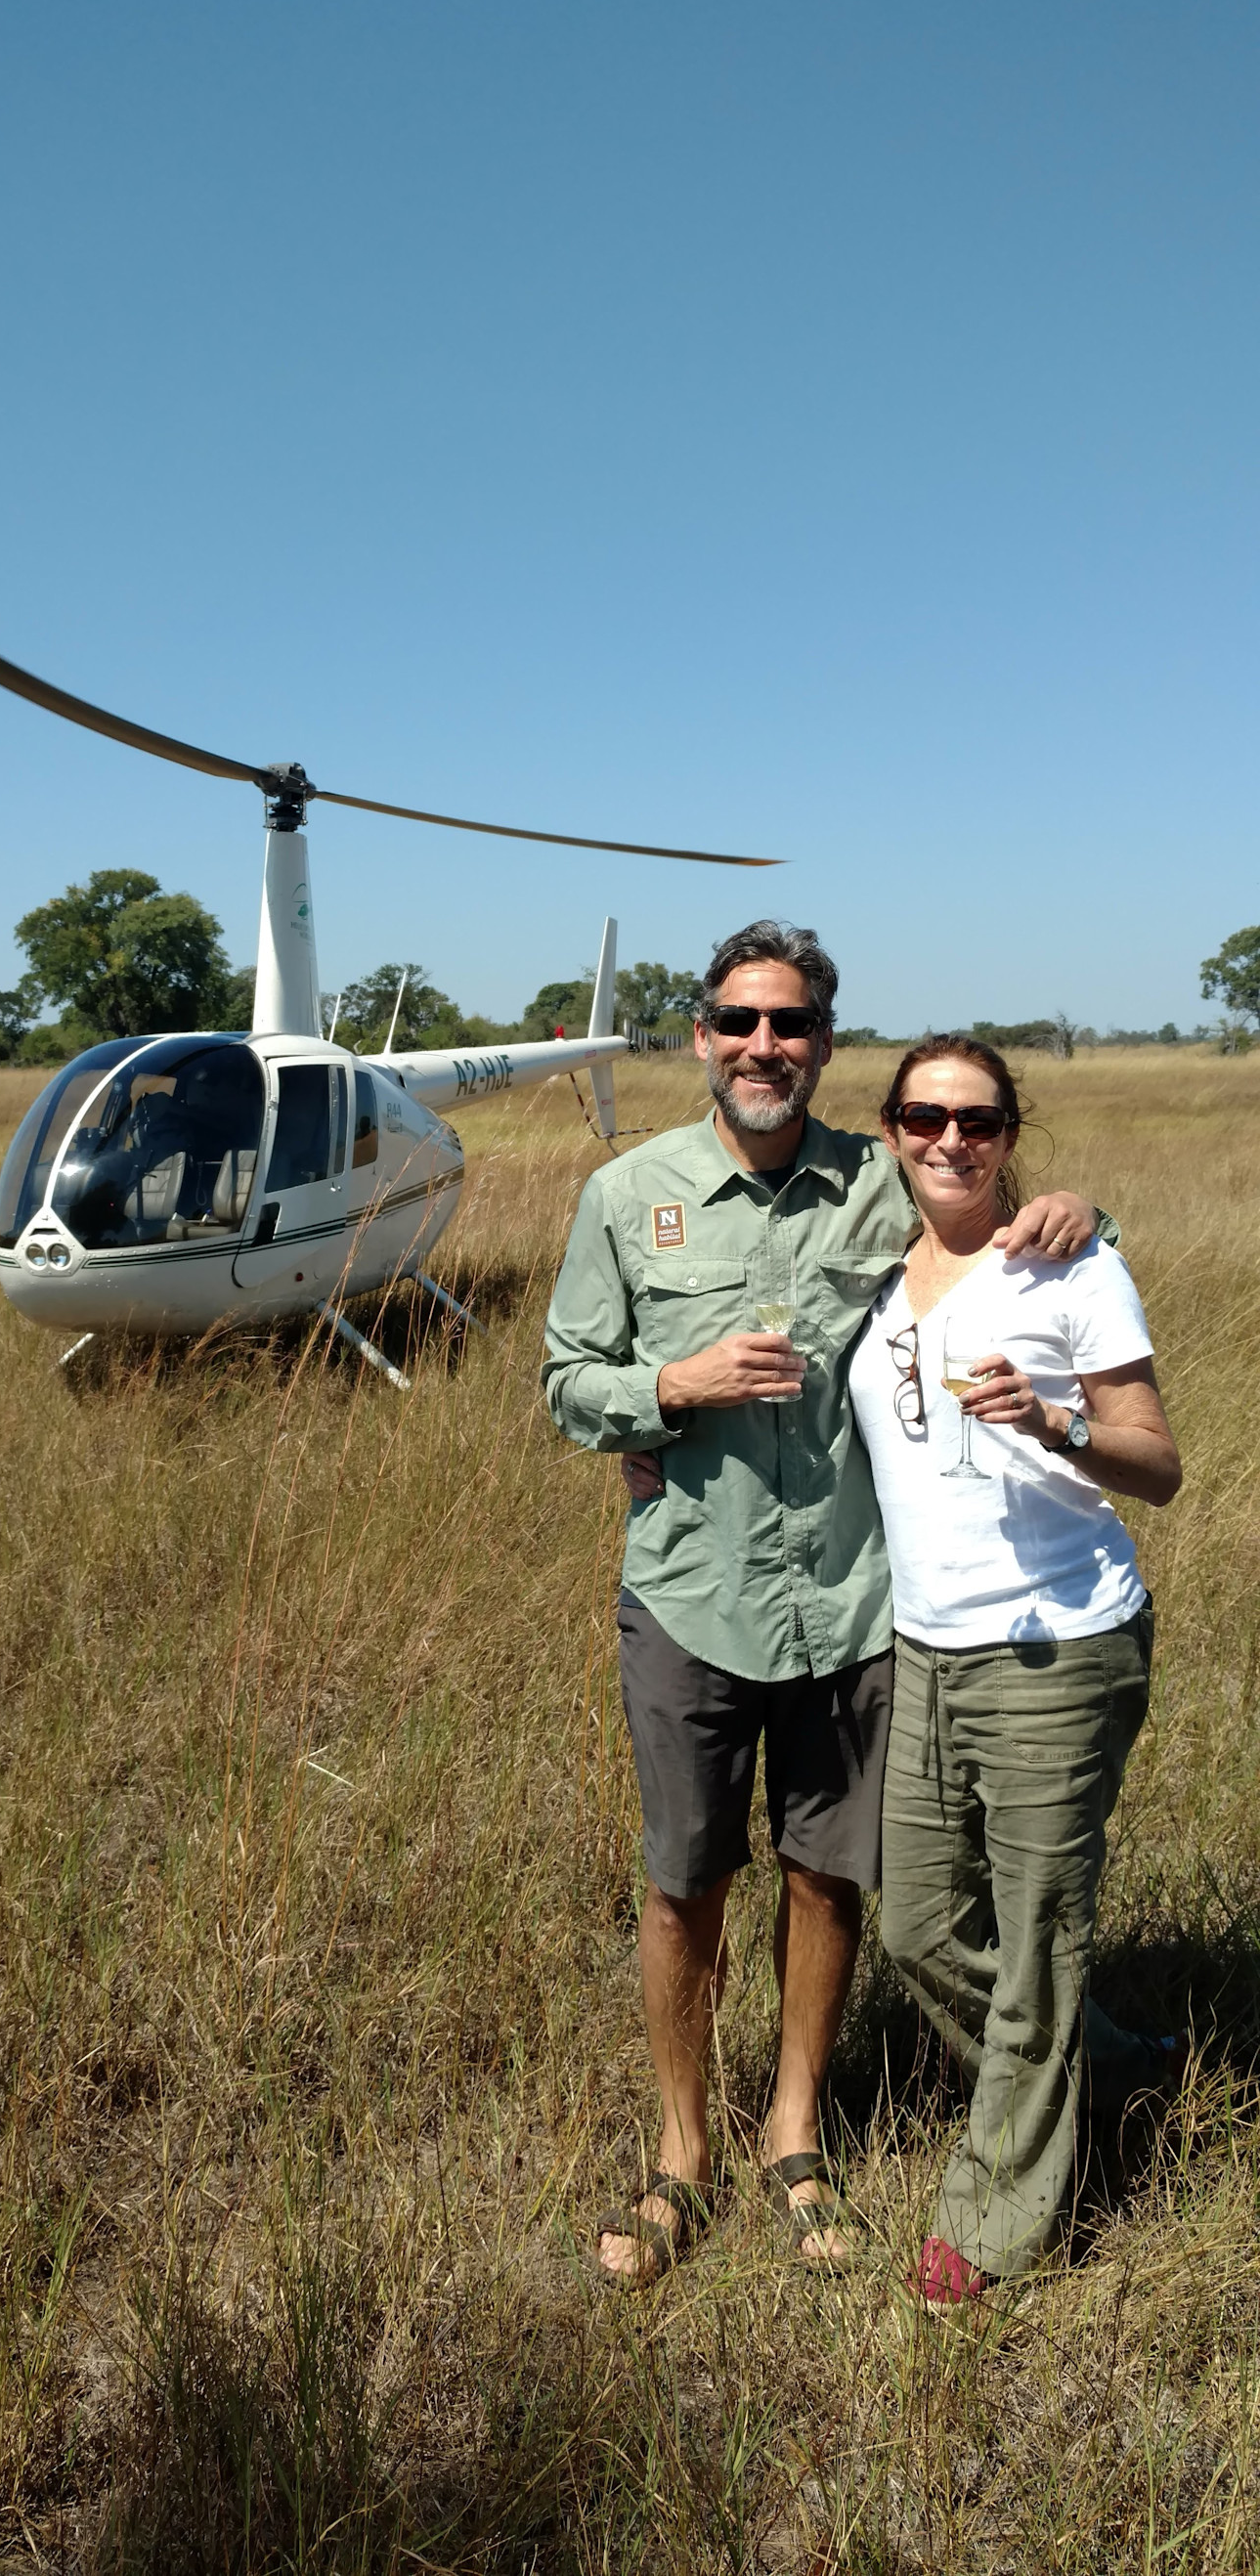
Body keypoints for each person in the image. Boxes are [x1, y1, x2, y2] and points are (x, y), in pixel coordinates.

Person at [541, 921, 1106, 2285]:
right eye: (739, 1021)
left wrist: (1078, 1214)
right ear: (700, 1036)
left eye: (789, 1024)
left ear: (823, 1047)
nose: (763, 1046)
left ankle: (796, 2129)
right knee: (684, 1881)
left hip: (852, 1602)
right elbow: (567, 1382)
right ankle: (683, 2150)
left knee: (826, 1874)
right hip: (691, 1596)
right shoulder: (627, 1194)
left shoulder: (876, 1179)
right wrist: (672, 1386)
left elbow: (991, 1217)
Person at [847, 1034, 1181, 2309]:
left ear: (1009, 1134)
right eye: (925, 1116)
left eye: (978, 1121)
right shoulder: (866, 1268)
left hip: (1060, 1647)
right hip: (924, 1647)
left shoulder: (1070, 1262)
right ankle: (1104, 2060)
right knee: (920, 1926)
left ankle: (992, 2224)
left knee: (1037, 1941)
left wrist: (1055, 1422)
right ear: (891, 1129)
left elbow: (1158, 1463)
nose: (951, 1139)